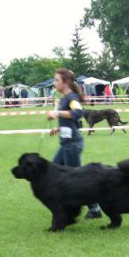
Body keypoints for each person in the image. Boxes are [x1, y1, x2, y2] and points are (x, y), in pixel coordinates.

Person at [46, 68, 102, 219]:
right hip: (66, 144)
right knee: (52, 173)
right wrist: (59, 127)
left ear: (66, 82)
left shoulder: (71, 98)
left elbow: (79, 113)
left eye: (57, 80)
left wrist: (57, 113)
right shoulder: (64, 98)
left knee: (77, 180)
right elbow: (74, 122)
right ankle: (65, 205)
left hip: (72, 145)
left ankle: (94, 208)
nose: (54, 82)